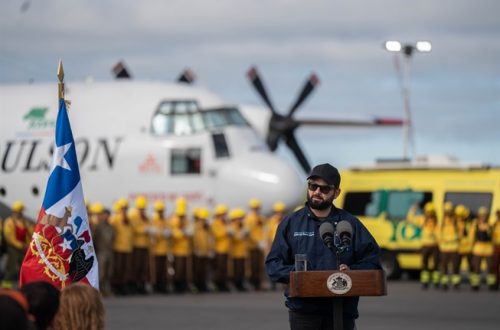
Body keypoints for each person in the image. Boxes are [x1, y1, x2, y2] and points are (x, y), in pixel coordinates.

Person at [266, 163, 381, 330]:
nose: (317, 192)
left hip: (342, 311)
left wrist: (352, 271)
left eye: (324, 189)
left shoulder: (350, 223)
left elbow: (372, 260)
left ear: (336, 193)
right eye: (313, 186)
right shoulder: (291, 223)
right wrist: (298, 274)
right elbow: (273, 265)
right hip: (304, 313)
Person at [1, 201, 33, 289]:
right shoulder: (9, 222)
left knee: (24, 266)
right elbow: (9, 237)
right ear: (15, 212)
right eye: (19, 212)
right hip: (13, 249)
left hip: (23, 248)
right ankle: (6, 285)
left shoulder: (24, 222)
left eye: (21, 212)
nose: (20, 214)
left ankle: (23, 284)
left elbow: (29, 232)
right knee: (10, 267)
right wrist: (20, 245)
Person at [91, 204, 115, 296]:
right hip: (101, 252)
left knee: (109, 272)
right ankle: (98, 291)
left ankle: (106, 290)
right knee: (101, 273)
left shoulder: (111, 227)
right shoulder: (97, 227)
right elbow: (93, 239)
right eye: (104, 214)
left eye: (107, 215)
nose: (106, 217)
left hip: (109, 252)